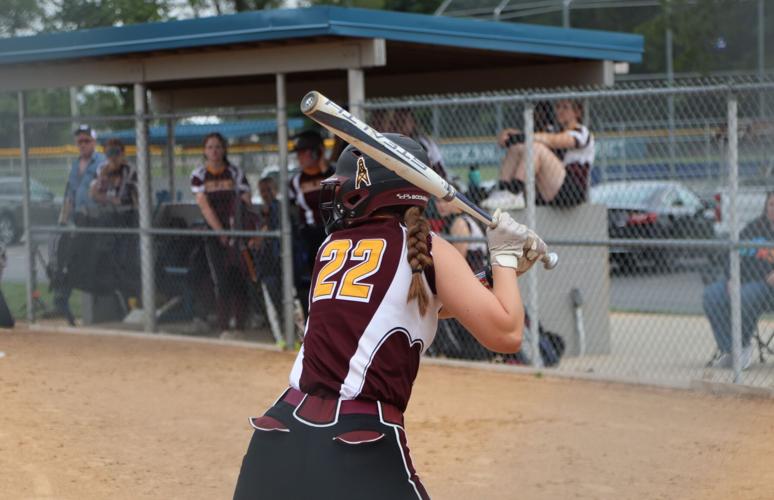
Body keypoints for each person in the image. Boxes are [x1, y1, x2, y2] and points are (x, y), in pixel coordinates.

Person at [232, 134, 548, 500]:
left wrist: (496, 277)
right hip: (356, 441)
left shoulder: (331, 247)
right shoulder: (429, 249)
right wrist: (505, 257)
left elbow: (407, 308)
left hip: (278, 433)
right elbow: (507, 334)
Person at [190, 132, 253, 336]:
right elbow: (204, 205)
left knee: (239, 276)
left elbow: (245, 200)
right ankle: (224, 325)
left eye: (218, 147)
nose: (214, 151)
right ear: (204, 151)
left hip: (236, 231)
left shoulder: (234, 172)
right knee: (221, 279)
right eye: (209, 147)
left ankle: (241, 325)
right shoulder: (199, 174)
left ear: (224, 149)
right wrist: (220, 232)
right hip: (214, 234)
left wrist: (237, 228)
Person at [703, 191, 774, 370]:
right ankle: (730, 350)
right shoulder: (754, 228)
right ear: (766, 207)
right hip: (741, 280)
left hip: (767, 286)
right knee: (712, 295)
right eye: (772, 204)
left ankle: (741, 345)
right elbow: (731, 255)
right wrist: (730, 277)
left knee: (745, 296)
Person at [482, 99, 595, 210]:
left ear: (577, 112)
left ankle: (516, 192)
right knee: (517, 147)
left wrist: (525, 137)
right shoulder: (552, 130)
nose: (560, 111)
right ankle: (504, 191)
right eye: (558, 107)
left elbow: (555, 141)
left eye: (565, 107)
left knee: (536, 148)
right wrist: (509, 135)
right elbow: (536, 136)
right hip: (548, 188)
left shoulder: (582, 132)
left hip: (571, 191)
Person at [53, 124, 106, 325]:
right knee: (63, 253)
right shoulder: (76, 165)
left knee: (81, 258)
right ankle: (61, 297)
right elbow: (70, 195)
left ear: (94, 142)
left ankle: (64, 295)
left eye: (86, 140)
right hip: (79, 219)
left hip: (97, 219)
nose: (82, 144)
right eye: (79, 141)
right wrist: (63, 221)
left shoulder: (102, 162)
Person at [288, 129, 334, 318]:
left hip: (333, 233)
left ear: (316, 152)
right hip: (310, 235)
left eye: (304, 152)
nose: (299, 157)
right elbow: (291, 208)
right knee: (311, 281)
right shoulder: (296, 181)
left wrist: (325, 168)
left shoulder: (333, 173)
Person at [89, 138, 138, 210]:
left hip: (127, 211)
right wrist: (102, 176)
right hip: (106, 212)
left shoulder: (130, 171)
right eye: (110, 153)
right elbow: (92, 194)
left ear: (123, 154)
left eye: (117, 152)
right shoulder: (100, 169)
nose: (113, 157)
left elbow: (137, 197)